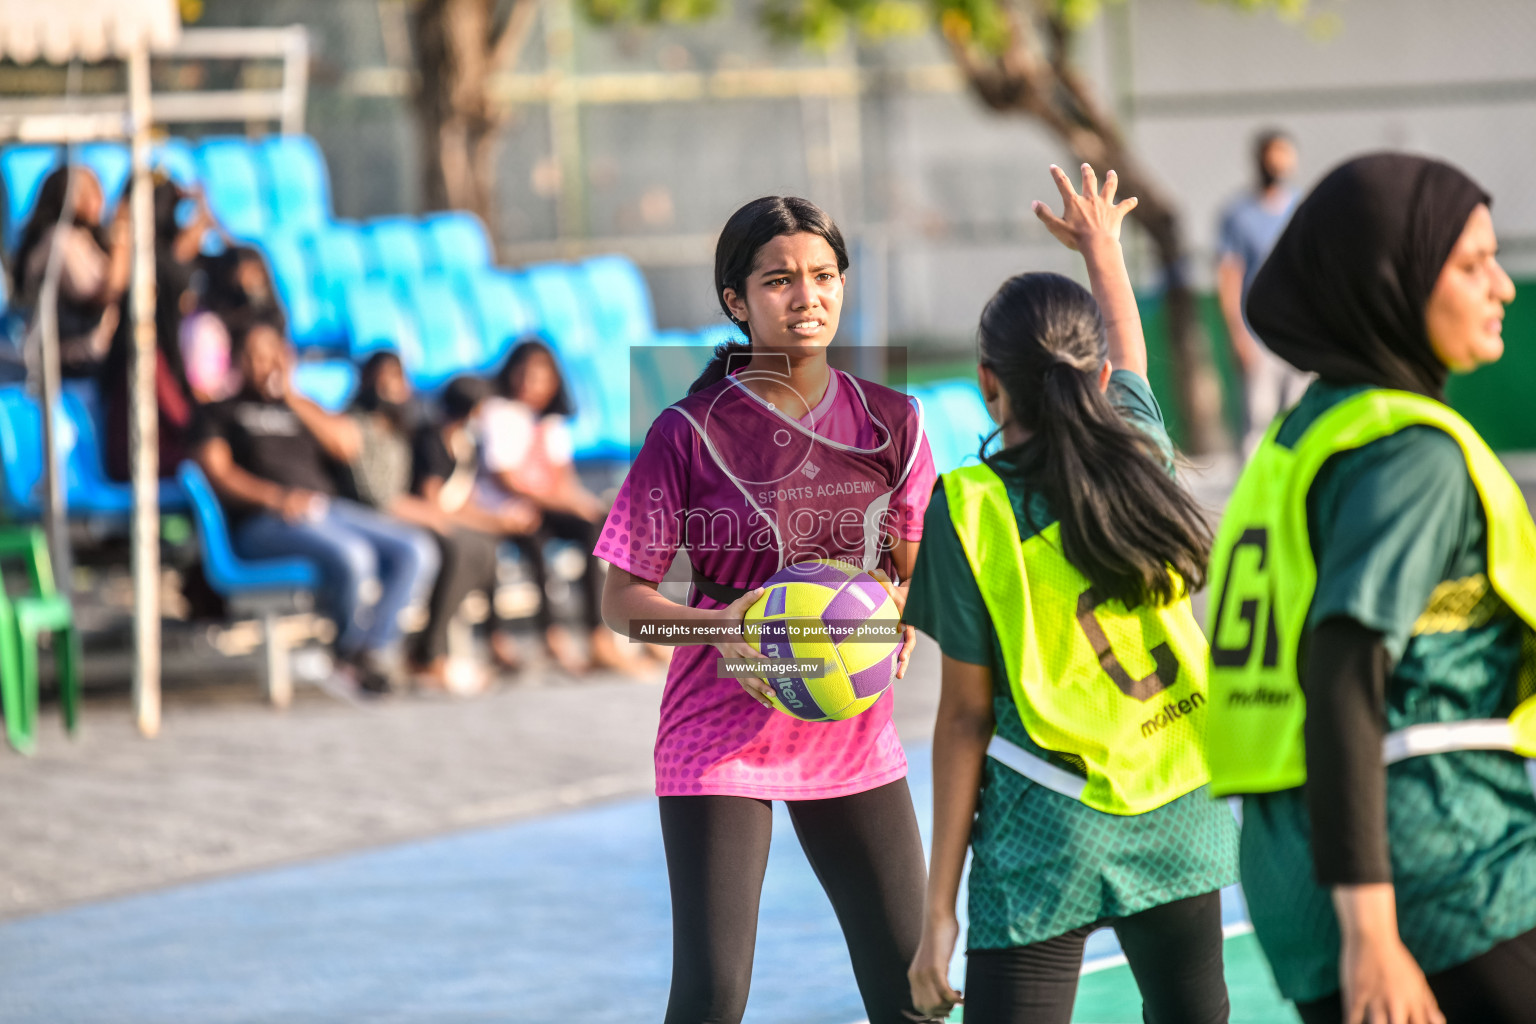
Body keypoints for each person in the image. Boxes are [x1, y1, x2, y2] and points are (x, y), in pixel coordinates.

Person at [1204, 153, 1536, 1024]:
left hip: (1294, 874)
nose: (1501, 286)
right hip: (1444, 869)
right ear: (1390, 280)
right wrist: (1374, 930)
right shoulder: (1411, 456)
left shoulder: (1304, 436)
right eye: (1470, 265)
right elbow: (1344, 675)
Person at [904, 165, 1238, 1023]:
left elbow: (964, 719)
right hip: (1179, 795)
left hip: (1049, 815)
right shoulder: (1142, 451)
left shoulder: (970, 505)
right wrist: (1103, 248)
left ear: (988, 383)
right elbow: (1128, 349)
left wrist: (938, 908)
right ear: (1094, 380)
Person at [595, 195, 939, 1024]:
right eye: (779, 280)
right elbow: (621, 600)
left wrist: (897, 609)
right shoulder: (685, 431)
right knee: (713, 995)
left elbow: (916, 562)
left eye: (823, 276)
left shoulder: (893, 419)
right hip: (717, 732)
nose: (806, 296)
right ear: (735, 301)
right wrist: (740, 626)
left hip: (847, 725)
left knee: (913, 991)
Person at [192, 316, 439, 693]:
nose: (266, 364)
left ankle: (373, 653)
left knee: (416, 550)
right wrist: (276, 498)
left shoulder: (303, 407)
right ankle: (347, 654)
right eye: (256, 356)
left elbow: (348, 446)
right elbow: (217, 472)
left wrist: (291, 395)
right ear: (238, 361)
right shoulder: (219, 412)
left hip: (327, 511)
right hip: (264, 522)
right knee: (355, 556)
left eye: (273, 355)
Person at [480, 339, 643, 674]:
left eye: (540, 378)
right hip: (509, 511)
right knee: (536, 543)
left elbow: (562, 478)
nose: (531, 385)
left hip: (544, 506)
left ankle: (599, 632)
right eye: (524, 376)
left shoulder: (551, 424)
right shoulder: (499, 413)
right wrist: (562, 502)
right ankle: (551, 634)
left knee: (597, 529)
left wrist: (584, 504)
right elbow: (508, 480)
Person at [391, 368, 539, 683]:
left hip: (447, 519)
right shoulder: (431, 440)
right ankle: (429, 650)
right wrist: (489, 521)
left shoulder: (465, 444)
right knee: (466, 550)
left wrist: (497, 521)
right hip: (420, 521)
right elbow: (434, 502)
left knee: (489, 546)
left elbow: (461, 501)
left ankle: (485, 637)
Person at [1216, 129, 1309, 454]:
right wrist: (1238, 335)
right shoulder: (1238, 215)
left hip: (1298, 335)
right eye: (1273, 156)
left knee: (1299, 422)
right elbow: (1229, 276)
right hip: (1258, 337)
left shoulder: (1302, 207)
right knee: (1257, 424)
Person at [10, 164, 132, 378]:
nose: (99, 197)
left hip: (87, 365)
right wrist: (122, 236)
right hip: (68, 369)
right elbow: (105, 292)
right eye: (88, 190)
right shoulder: (58, 239)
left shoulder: (84, 236)